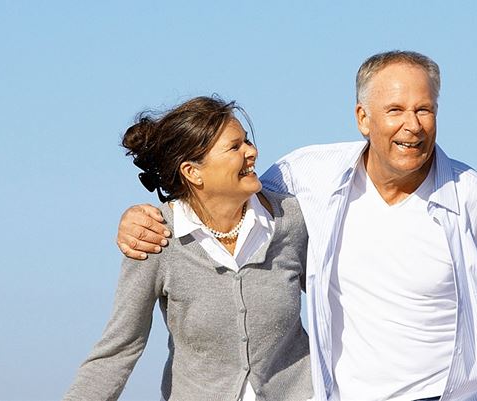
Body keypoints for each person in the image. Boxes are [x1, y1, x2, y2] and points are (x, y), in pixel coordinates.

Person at [116, 51, 477, 401]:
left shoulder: (473, 196)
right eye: (396, 111)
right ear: (363, 118)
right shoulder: (305, 177)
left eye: (425, 109)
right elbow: (220, 197)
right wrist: (145, 217)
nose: (414, 125)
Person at [65, 96, 312, 401]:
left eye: (246, 142)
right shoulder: (158, 237)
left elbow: (343, 300)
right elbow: (119, 349)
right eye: (235, 147)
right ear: (193, 172)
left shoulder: (290, 219)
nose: (252, 152)